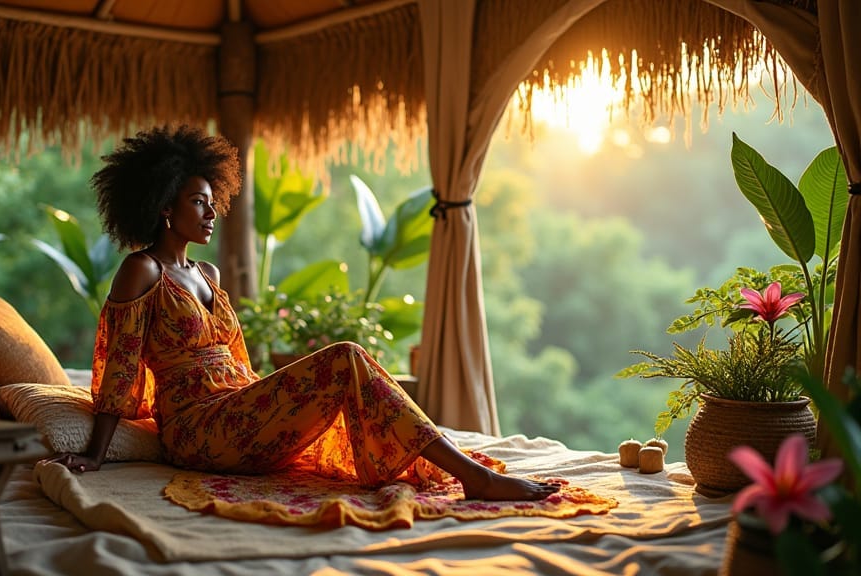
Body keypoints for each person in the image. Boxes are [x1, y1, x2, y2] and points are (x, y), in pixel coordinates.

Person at [47, 125, 559, 501]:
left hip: (238, 409)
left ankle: (465, 470)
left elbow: (241, 365)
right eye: (198, 202)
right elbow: (120, 366)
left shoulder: (208, 276)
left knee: (346, 367)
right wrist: (95, 453)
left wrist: (272, 394)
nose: (211, 213)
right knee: (344, 357)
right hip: (197, 430)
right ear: (164, 207)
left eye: (212, 202)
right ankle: (477, 478)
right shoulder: (142, 270)